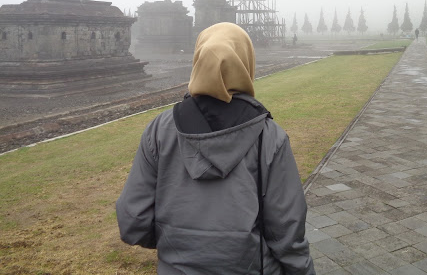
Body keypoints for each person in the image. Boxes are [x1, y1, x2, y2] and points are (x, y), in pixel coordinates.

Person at [116, 23, 315, 275]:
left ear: (198, 60)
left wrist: (176, 246)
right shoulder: (269, 135)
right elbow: (287, 226)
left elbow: (132, 220)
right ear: (246, 63)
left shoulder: (159, 130)